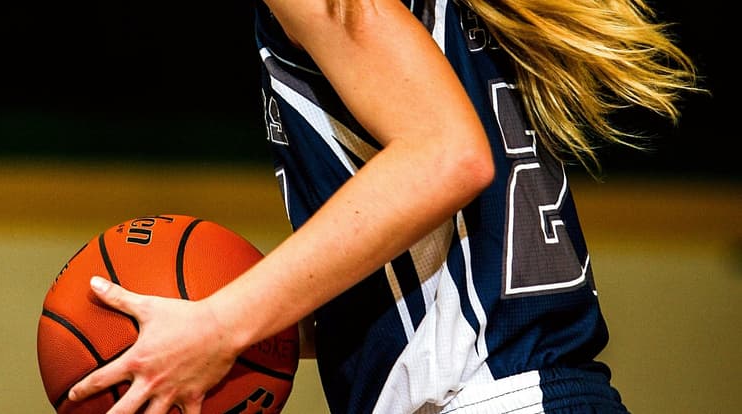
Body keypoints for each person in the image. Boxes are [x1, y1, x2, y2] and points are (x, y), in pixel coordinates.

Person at [68, 0, 702, 412]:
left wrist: (219, 324)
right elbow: (447, 258)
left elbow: (446, 155)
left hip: (488, 395)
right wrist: (247, 322)